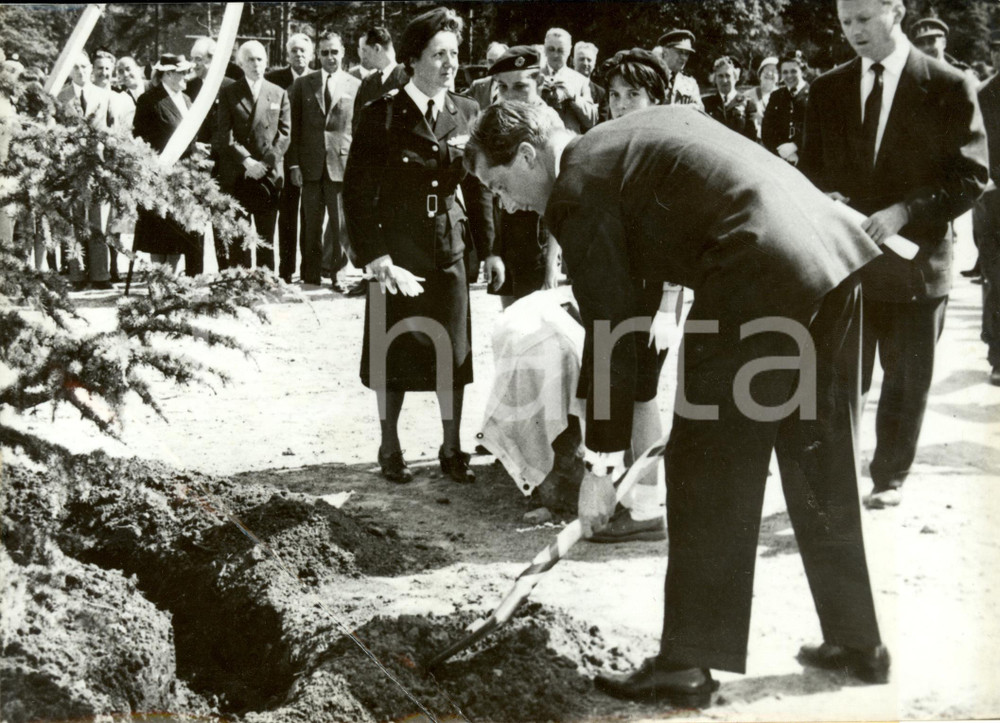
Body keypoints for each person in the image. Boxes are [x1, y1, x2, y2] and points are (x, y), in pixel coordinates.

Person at [466, 98, 888, 707]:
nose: (505, 203)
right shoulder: (617, 146)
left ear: (528, 156)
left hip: (759, 267)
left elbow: (609, 326)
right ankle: (857, 640)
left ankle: (686, 665)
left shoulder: (576, 189)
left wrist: (601, 468)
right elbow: (629, 308)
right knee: (814, 449)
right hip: (830, 252)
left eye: (499, 183)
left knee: (704, 464)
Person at [800, 0, 988, 509]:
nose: (853, 32)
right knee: (838, 381)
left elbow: (971, 177)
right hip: (846, 263)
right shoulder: (826, 89)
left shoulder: (949, 86)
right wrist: (824, 197)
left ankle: (889, 478)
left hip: (915, 266)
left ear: (895, 12)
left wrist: (907, 210)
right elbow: (809, 170)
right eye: (844, 22)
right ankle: (836, 479)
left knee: (906, 382)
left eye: (863, 19)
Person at [343, 7, 501, 486]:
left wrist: (489, 249)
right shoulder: (382, 114)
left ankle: (451, 447)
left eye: (453, 54)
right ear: (413, 59)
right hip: (398, 251)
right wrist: (377, 257)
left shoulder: (467, 112)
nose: (449, 64)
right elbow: (356, 193)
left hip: (448, 246)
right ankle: (390, 446)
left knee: (452, 351)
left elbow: (478, 187)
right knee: (393, 349)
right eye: (438, 55)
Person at [485, 46, 562, 307]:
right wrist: (494, 249)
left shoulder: (548, 122)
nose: (509, 96)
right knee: (510, 319)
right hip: (507, 230)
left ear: (539, 82)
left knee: (536, 319)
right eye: (502, 88)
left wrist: (552, 265)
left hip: (536, 233)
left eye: (519, 87)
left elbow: (557, 198)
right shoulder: (499, 119)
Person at [287, 30, 361, 287]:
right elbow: (293, 127)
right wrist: (294, 164)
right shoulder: (303, 84)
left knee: (341, 224)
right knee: (311, 225)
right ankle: (310, 275)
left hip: (341, 164)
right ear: (317, 55)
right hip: (309, 165)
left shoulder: (355, 85)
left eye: (334, 52)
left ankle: (338, 275)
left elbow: (358, 129)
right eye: (325, 53)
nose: (330, 57)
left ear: (343, 53)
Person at [214, 41, 291, 271]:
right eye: (250, 59)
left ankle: (266, 278)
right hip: (239, 174)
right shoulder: (229, 93)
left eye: (260, 59)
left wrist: (265, 164)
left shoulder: (278, 93)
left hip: (268, 175)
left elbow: (284, 134)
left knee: (266, 235)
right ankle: (242, 280)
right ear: (240, 63)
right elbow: (224, 134)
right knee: (240, 234)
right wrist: (247, 161)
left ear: (266, 62)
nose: (256, 64)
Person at [132, 54, 203, 272]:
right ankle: (159, 278)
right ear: (169, 74)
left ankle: (172, 278)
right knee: (159, 232)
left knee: (178, 232)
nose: (186, 77)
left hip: (185, 176)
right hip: (160, 176)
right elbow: (140, 140)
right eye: (182, 72)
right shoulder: (149, 100)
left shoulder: (187, 100)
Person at [57, 51, 117, 290]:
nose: (80, 72)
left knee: (98, 220)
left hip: (97, 163)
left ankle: (101, 274)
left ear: (90, 68)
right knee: (75, 220)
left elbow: (112, 128)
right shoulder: (61, 97)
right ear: (69, 71)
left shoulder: (103, 95)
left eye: (84, 67)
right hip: (71, 165)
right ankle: (77, 274)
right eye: (75, 68)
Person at [266, 33, 315, 282]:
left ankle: (309, 271)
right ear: (287, 55)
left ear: (311, 54)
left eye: (303, 51)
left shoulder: (318, 80)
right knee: (286, 216)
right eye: (294, 50)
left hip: (310, 160)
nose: (299, 55)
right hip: (281, 158)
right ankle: (285, 271)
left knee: (310, 217)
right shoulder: (274, 80)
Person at [188, 36, 235, 272]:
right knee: (194, 220)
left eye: (199, 59)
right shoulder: (189, 87)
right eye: (192, 58)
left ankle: (225, 272)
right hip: (195, 163)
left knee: (221, 222)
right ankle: (194, 273)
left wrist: (214, 152)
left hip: (222, 164)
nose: (194, 64)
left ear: (212, 60)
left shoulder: (230, 86)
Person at [973, 31, 1000, 385]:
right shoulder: (983, 94)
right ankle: (997, 353)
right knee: (995, 278)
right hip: (992, 199)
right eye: (996, 51)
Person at [540, 28, 597, 133]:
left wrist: (574, 97)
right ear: (544, 49)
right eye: (551, 49)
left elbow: (592, 120)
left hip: (568, 144)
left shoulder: (580, 80)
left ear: (569, 51)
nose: (555, 55)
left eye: (560, 50)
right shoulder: (534, 76)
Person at [354, 27, 409, 127]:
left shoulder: (409, 79)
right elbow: (357, 123)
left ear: (377, 48)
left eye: (365, 50)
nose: (363, 56)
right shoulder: (367, 82)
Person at [761, 53, 809, 164]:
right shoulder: (776, 96)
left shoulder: (814, 94)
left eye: (793, 71)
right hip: (781, 159)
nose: (789, 76)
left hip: (807, 159)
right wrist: (781, 151)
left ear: (803, 72)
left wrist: (796, 145)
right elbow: (766, 131)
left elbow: (816, 129)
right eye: (785, 72)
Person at [703, 55, 758, 139]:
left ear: (735, 77)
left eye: (728, 75)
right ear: (715, 79)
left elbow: (752, 137)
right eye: (720, 76)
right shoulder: (706, 103)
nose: (724, 80)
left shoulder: (748, 104)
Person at [657, 29, 703, 109]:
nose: (684, 58)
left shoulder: (690, 84)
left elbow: (700, 112)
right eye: (680, 52)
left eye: (687, 54)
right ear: (665, 51)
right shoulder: (651, 77)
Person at [464, 41, 508, 111]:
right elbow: (457, 104)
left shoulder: (516, 87)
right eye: (490, 62)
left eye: (499, 61)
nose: (494, 66)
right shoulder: (477, 86)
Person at [744, 56, 778, 141]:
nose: (769, 73)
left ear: (779, 77)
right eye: (766, 70)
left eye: (774, 71)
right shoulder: (748, 95)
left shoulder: (783, 96)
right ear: (760, 74)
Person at [572, 41, 606, 121]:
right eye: (581, 59)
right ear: (573, 61)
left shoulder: (601, 93)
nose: (585, 63)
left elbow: (603, 123)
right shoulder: (563, 84)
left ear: (594, 64)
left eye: (589, 60)